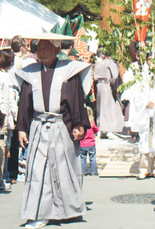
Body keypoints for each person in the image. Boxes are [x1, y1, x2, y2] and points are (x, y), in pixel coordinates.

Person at [16, 33, 92, 229]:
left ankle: (67, 210)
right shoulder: (29, 72)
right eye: (39, 48)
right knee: (38, 171)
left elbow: (76, 101)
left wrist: (79, 124)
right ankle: (39, 213)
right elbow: (24, 103)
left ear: (57, 49)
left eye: (46, 48)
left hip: (61, 126)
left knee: (63, 168)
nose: (41, 51)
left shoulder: (69, 71)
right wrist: (22, 128)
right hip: (38, 126)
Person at [122, 52, 155, 180]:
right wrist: (145, 103)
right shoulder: (142, 76)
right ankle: (144, 168)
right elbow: (137, 94)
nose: (153, 62)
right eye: (151, 60)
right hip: (146, 112)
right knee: (146, 137)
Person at [94, 50, 124, 138]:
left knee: (101, 107)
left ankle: (101, 129)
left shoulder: (98, 64)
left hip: (99, 85)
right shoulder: (111, 63)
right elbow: (114, 76)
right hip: (107, 85)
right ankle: (108, 129)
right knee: (108, 107)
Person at [0, 47, 15, 191]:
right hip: (2, 119)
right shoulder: (4, 77)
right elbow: (6, 101)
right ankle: (1, 180)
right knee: (3, 149)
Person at [80, 106, 99, 176]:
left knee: (83, 158)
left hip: (82, 144)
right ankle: (94, 171)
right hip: (91, 144)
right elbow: (96, 130)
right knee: (92, 157)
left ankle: (83, 172)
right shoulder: (92, 123)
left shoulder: (81, 123)